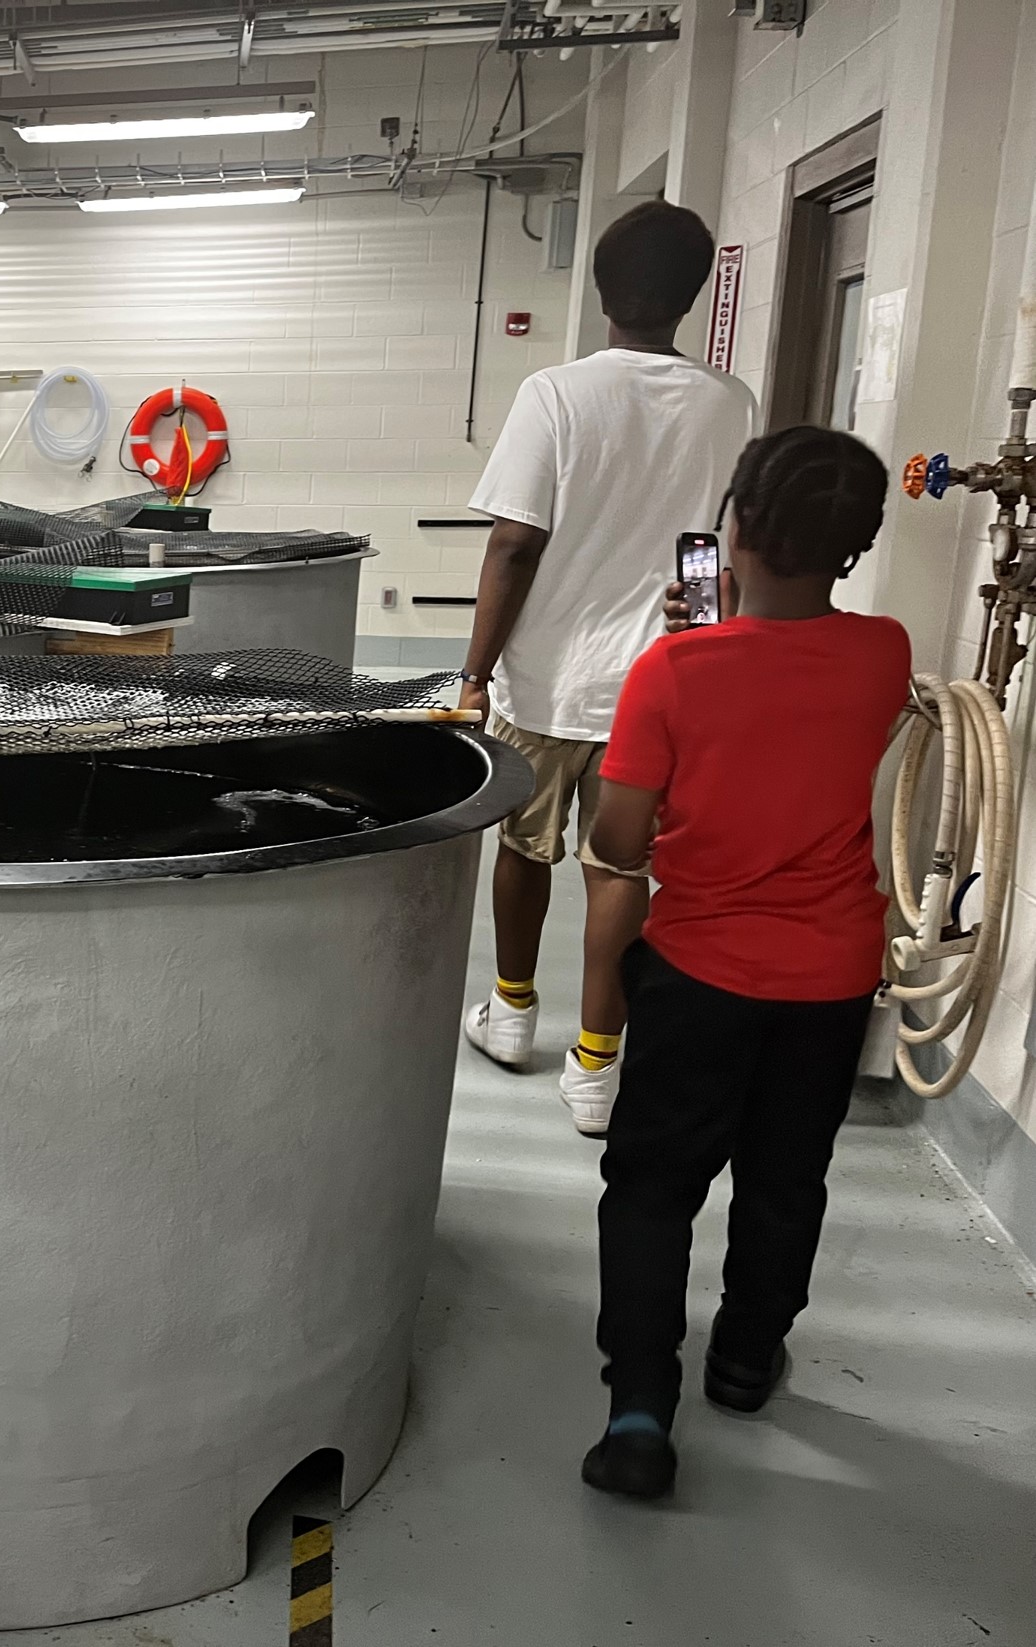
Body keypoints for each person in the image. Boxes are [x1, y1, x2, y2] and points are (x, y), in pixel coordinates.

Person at [577, 425, 907, 1498]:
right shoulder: (885, 653)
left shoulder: (673, 670)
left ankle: (637, 1414)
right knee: (784, 1178)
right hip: (831, 981)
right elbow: (797, 684)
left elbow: (621, 845)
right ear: (855, 546)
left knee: (651, 1187)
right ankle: (746, 1361)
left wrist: (684, 668)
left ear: (739, 525)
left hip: (701, 973)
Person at [459, 200, 758, 1136]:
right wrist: (703, 645)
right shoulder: (732, 403)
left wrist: (474, 674)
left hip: (546, 678)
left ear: (597, 290)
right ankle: (595, 1070)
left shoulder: (554, 394)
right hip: (661, 685)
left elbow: (513, 544)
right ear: (696, 295)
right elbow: (721, 552)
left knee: (521, 847)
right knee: (620, 869)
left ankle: (511, 1013)